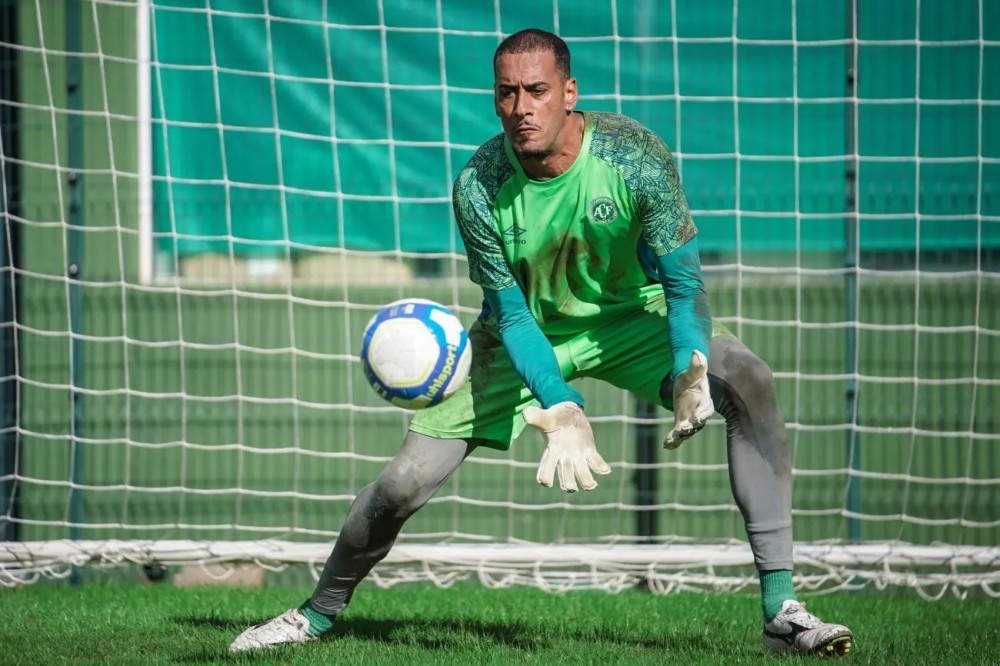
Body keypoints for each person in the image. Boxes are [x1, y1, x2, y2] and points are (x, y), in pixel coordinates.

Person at [230, 28, 853, 657]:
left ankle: (781, 611)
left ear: (569, 92)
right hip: (522, 336)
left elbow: (684, 283)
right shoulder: (478, 184)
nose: (521, 108)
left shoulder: (635, 155)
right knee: (401, 484)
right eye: (507, 93)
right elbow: (510, 315)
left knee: (748, 379)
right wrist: (560, 401)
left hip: (627, 318)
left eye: (537, 91)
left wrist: (690, 362)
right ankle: (316, 615)